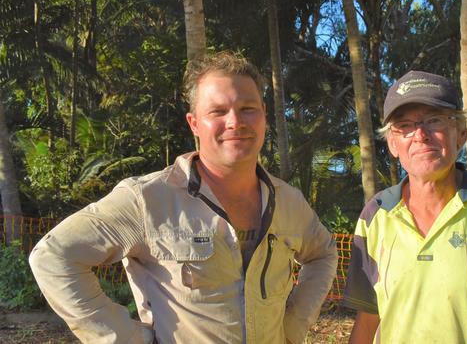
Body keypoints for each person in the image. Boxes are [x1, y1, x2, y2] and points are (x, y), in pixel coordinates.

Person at [29, 51, 338, 344]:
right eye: (218, 111)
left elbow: (323, 253)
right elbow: (53, 256)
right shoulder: (148, 199)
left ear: (264, 117)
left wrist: (293, 327)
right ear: (194, 124)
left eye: (248, 109)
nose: (235, 122)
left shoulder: (289, 202)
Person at [343, 71, 467, 343]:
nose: (420, 135)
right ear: (393, 144)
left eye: (434, 120)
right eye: (404, 125)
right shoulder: (376, 215)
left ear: (460, 133)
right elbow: (367, 321)